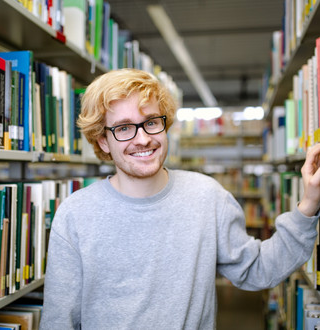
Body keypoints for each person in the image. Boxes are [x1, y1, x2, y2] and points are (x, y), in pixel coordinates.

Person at [40, 68, 320, 330]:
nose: (142, 139)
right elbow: (58, 320)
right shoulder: (75, 215)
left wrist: (308, 203)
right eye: (124, 128)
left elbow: (257, 269)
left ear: (165, 125)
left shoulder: (207, 198)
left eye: (151, 122)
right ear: (103, 140)